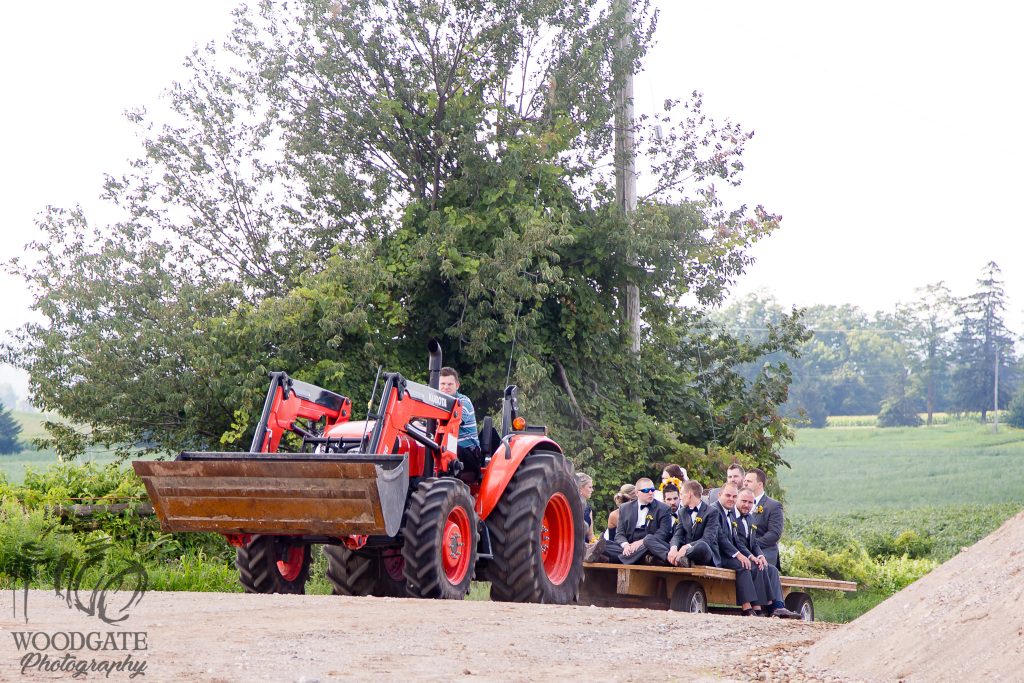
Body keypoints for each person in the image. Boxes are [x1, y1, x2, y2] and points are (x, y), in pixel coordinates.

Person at [734, 488, 801, 619]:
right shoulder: (732, 516)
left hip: (751, 553)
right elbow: (737, 542)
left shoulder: (750, 518)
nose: (746, 505)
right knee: (756, 566)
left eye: (750, 502)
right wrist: (751, 556)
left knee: (771, 569)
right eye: (743, 501)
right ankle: (758, 607)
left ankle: (778, 607)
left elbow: (753, 542)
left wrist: (760, 555)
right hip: (737, 554)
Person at [711, 483, 767, 616]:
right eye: (728, 495)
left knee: (755, 564)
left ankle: (757, 606)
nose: (731, 499)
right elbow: (720, 538)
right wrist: (738, 555)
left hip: (729, 552)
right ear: (720, 495)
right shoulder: (714, 510)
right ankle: (746, 607)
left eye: (734, 496)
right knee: (742, 566)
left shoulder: (729, 513)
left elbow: (735, 539)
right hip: (718, 553)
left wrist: (750, 556)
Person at [612, 478, 673, 565]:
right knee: (607, 545)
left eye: (652, 490)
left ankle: (622, 559)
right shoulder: (625, 508)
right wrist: (626, 546)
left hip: (650, 546)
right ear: (637, 493)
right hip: (630, 546)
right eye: (646, 490)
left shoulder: (664, 509)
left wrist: (641, 542)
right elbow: (619, 534)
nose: (651, 493)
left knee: (649, 541)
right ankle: (637, 558)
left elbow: (662, 534)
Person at [438, 367, 481, 482]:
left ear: (457, 385)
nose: (445, 387)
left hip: (468, 454)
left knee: (444, 449)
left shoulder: (463, 402)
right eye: (442, 383)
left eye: (449, 384)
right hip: (447, 450)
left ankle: (445, 483)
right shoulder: (436, 404)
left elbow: (453, 422)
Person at [666, 480, 718, 567]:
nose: (680, 497)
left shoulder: (712, 512)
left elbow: (708, 539)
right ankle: (681, 559)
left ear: (689, 494)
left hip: (702, 552)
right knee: (651, 539)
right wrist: (673, 548)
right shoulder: (682, 512)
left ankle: (682, 558)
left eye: (682, 494)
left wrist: (686, 547)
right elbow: (678, 535)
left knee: (702, 546)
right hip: (683, 551)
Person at [744, 467, 784, 571]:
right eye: (745, 481)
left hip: (764, 551)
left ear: (760, 484)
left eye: (749, 481)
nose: (745, 484)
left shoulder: (773, 506)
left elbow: (774, 534)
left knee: (753, 566)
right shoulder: (739, 504)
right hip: (743, 549)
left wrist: (752, 544)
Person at [576, 472, 595, 542]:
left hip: (587, 547)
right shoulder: (568, 507)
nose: (592, 490)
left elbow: (590, 535)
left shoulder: (588, 509)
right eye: (590, 487)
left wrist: (595, 543)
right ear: (580, 488)